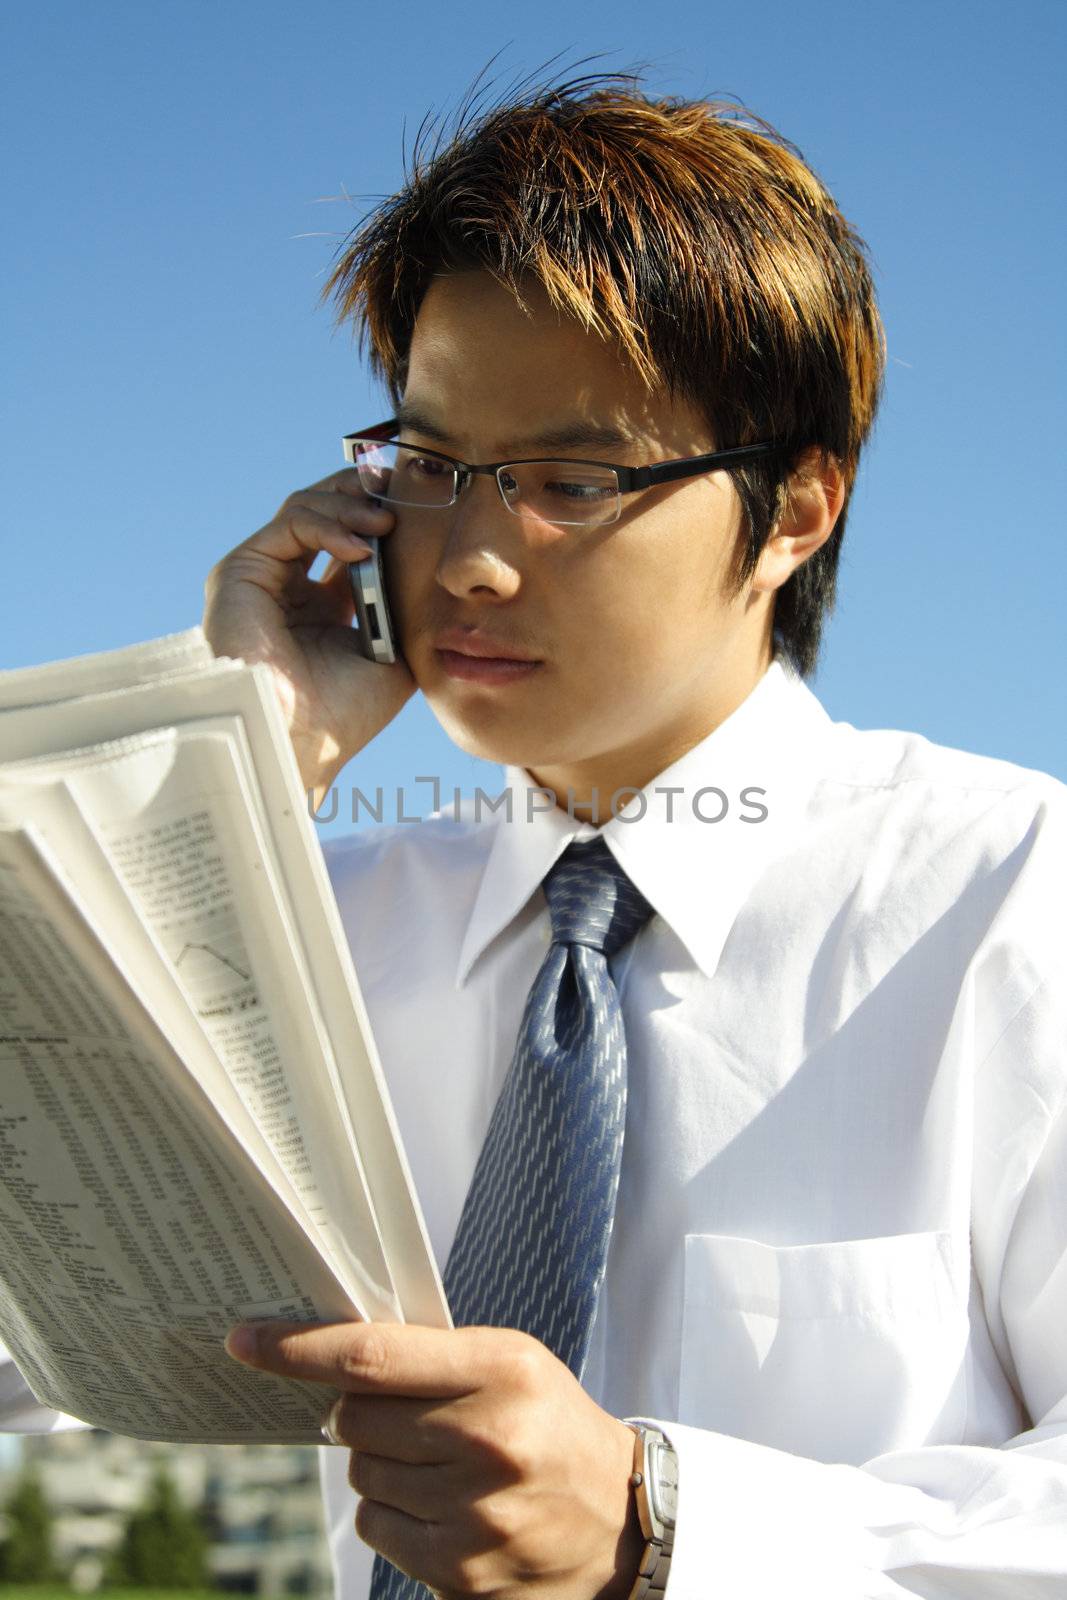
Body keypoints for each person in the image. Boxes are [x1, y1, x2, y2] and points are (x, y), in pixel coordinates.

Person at [5, 72, 1066, 1599]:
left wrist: (658, 1522)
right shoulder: (324, 915)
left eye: (573, 482)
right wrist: (236, 772)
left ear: (794, 516)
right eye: (433, 472)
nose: (476, 560)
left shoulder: (1015, 901)